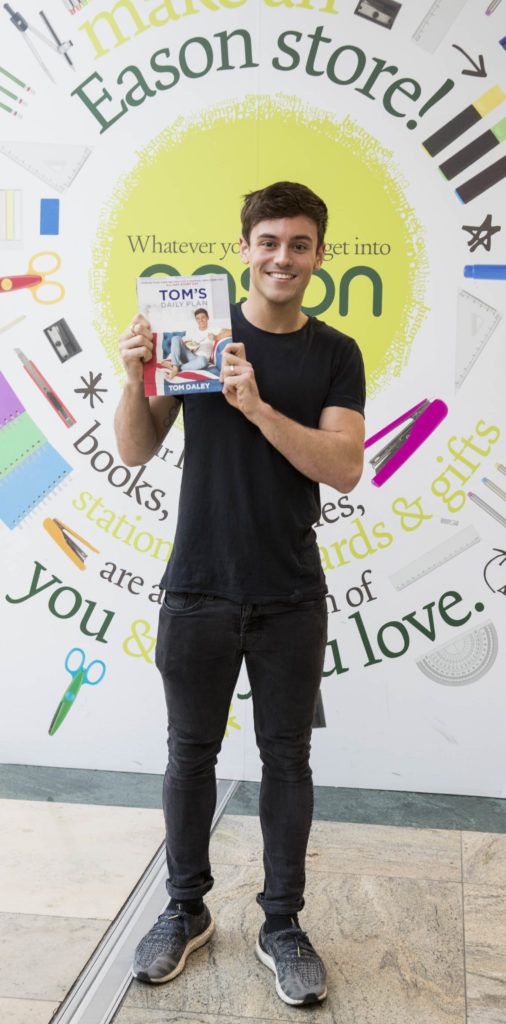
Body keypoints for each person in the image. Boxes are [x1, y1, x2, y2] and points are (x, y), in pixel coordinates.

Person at [114, 181, 366, 1007]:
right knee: (189, 755)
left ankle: (282, 924)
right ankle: (185, 911)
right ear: (245, 248)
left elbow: (343, 465)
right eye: (269, 242)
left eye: (299, 244)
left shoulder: (335, 353)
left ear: (319, 254)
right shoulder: (198, 334)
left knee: (285, 759)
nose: (282, 258)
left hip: (290, 592)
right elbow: (135, 449)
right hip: (198, 587)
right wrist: (132, 374)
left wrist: (257, 407)